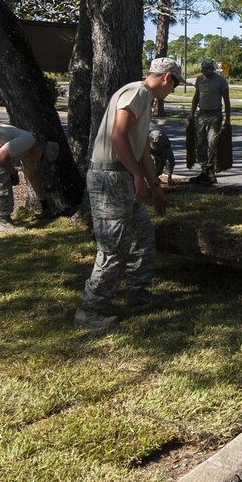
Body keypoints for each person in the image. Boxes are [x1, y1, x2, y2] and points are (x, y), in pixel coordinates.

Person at [79, 55, 184, 330]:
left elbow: (142, 152)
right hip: (111, 178)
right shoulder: (137, 93)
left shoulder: (143, 97)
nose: (172, 92)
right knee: (113, 248)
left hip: (122, 176)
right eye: (174, 86)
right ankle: (89, 311)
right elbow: (118, 135)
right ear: (167, 78)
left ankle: (138, 292)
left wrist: (155, 187)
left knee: (142, 235)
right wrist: (137, 175)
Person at [189, 58, 231, 185]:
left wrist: (228, 119)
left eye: (208, 70)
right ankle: (204, 171)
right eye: (204, 70)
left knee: (212, 141)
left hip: (215, 114)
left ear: (212, 69)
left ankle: (211, 169)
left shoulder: (220, 81)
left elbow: (227, 101)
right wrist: (191, 113)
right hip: (202, 113)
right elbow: (196, 96)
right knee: (201, 142)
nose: (206, 73)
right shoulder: (199, 80)